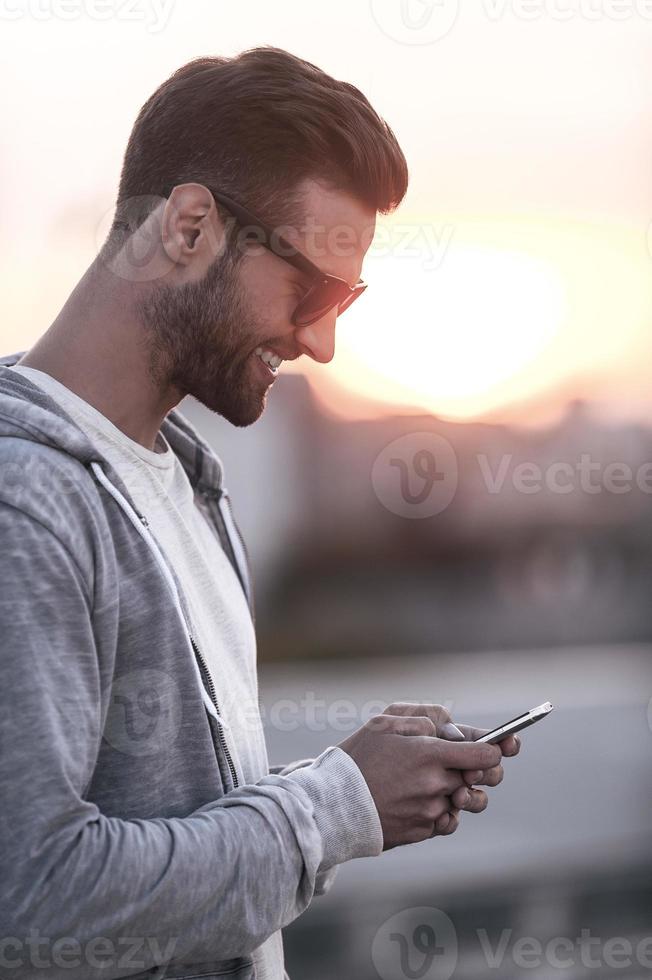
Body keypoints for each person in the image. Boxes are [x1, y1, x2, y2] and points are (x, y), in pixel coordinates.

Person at [0, 47, 519, 980]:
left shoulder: (189, 486)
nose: (322, 341)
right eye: (312, 291)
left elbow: (161, 817)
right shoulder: (25, 506)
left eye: (346, 301)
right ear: (191, 226)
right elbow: (30, 901)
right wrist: (331, 809)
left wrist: (356, 782)